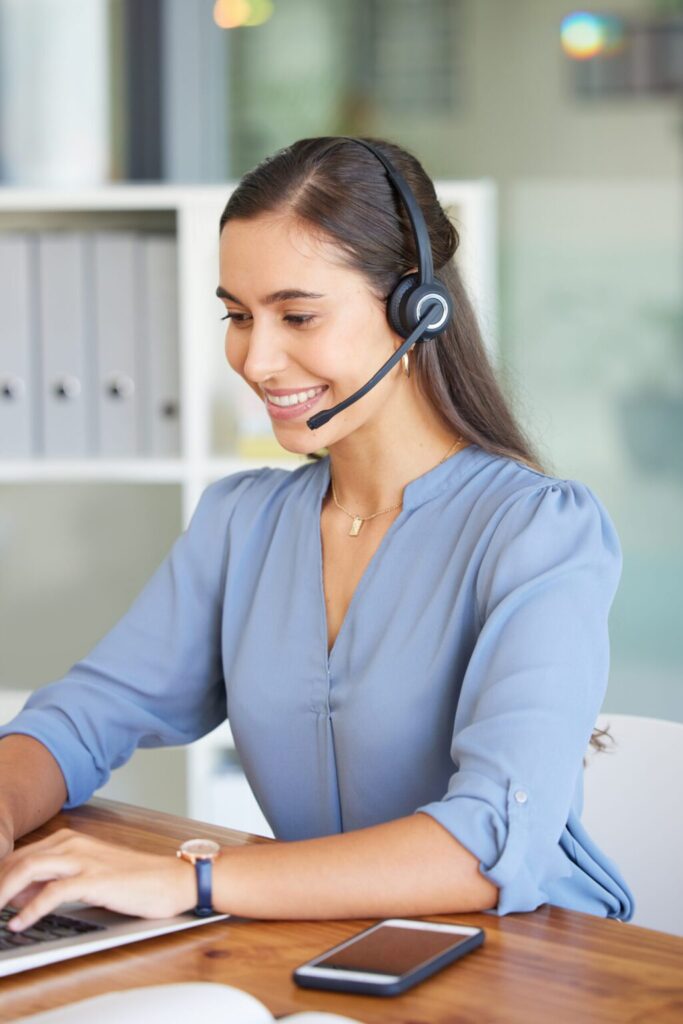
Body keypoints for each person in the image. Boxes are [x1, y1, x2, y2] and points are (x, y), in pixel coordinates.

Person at [0, 136, 633, 931]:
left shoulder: (537, 532)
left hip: (527, 964)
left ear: (415, 308)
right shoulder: (242, 523)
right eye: (236, 316)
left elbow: (487, 843)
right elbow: (82, 717)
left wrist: (192, 882)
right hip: (322, 945)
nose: (257, 360)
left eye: (297, 315)